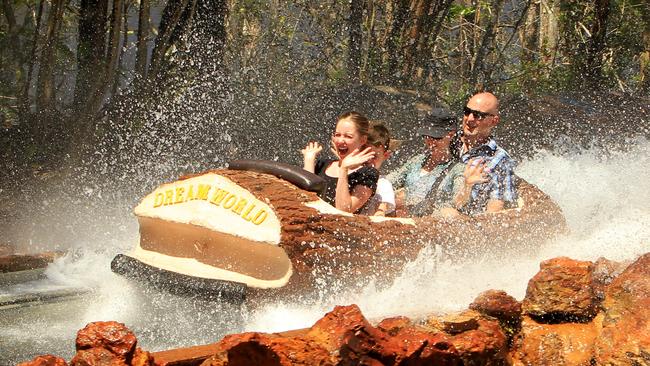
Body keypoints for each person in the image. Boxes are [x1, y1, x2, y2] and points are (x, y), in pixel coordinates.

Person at [440, 92, 517, 216]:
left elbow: (494, 215)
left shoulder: (499, 161)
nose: (469, 119)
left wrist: (467, 186)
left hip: (458, 223)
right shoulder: (446, 140)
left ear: (494, 121)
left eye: (478, 115)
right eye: (467, 111)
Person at [302, 111, 379, 213]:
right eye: (337, 135)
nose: (340, 140)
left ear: (362, 140)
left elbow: (344, 210)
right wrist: (309, 161)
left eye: (348, 136)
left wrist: (344, 169)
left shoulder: (367, 173)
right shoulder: (323, 164)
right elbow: (303, 199)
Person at [386, 108, 458, 217]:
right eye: (427, 136)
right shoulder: (417, 161)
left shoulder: (458, 169)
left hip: (433, 224)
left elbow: (458, 202)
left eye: (436, 137)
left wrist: (468, 186)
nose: (430, 142)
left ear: (451, 134)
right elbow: (389, 182)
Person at [358, 121, 397, 216]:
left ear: (386, 155)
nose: (368, 160)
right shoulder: (349, 174)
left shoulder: (383, 185)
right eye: (365, 154)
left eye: (374, 156)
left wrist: (380, 213)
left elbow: (380, 212)